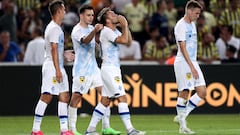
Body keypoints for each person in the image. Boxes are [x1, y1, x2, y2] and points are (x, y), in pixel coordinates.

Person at [84, 7, 146, 135]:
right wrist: (124, 25)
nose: (116, 14)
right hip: (109, 69)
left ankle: (90, 130)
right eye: (112, 14)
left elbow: (128, 41)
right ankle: (130, 130)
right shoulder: (106, 31)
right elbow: (123, 40)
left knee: (105, 100)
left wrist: (125, 26)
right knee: (122, 97)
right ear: (107, 20)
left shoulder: (114, 30)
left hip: (112, 69)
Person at [68, 5, 120, 135]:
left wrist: (100, 48)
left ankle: (105, 127)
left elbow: (93, 44)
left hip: (94, 69)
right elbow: (85, 41)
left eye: (92, 15)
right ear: (81, 15)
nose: (91, 17)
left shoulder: (91, 28)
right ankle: (72, 129)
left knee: (106, 95)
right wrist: (95, 31)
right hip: (81, 70)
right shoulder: (77, 30)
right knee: (76, 98)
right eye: (88, 15)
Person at [30, 1, 74, 135]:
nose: (65, 12)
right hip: (53, 66)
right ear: (59, 11)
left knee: (64, 95)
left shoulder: (56, 27)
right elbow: (53, 50)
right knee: (47, 96)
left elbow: (55, 49)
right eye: (64, 9)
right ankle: (35, 130)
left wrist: (64, 54)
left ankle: (64, 130)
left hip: (58, 64)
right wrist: (58, 70)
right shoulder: (54, 28)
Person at [173, 0, 207, 134]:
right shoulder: (180, 25)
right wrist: (191, 66)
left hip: (193, 61)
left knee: (202, 92)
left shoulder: (192, 24)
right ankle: (183, 127)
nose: (198, 16)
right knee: (185, 92)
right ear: (189, 11)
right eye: (197, 13)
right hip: (183, 62)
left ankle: (182, 115)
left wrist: (194, 64)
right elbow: (182, 47)